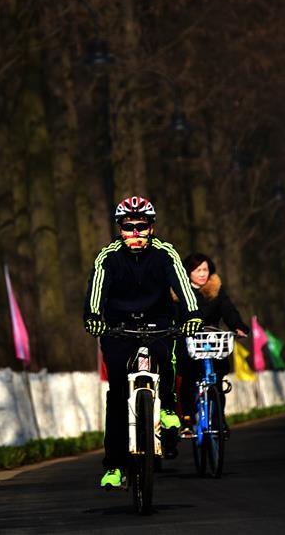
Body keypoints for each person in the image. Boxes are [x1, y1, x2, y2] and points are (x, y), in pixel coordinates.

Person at [83, 195, 203, 489]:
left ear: (152, 227)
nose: (135, 234)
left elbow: (183, 286)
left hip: (157, 322)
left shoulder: (166, 253)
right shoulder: (107, 256)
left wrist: (193, 315)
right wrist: (93, 316)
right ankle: (113, 466)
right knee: (117, 394)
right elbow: (96, 290)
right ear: (120, 228)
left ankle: (169, 409)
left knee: (168, 358)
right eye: (128, 227)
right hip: (117, 328)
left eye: (141, 226)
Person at [175, 253, 249, 434]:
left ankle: (219, 419)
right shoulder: (178, 293)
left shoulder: (216, 290)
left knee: (216, 380)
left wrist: (238, 326)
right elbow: (171, 315)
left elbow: (229, 311)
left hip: (212, 339)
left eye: (205, 270)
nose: (202, 274)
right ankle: (187, 417)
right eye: (197, 270)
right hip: (188, 341)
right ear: (188, 272)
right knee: (188, 376)